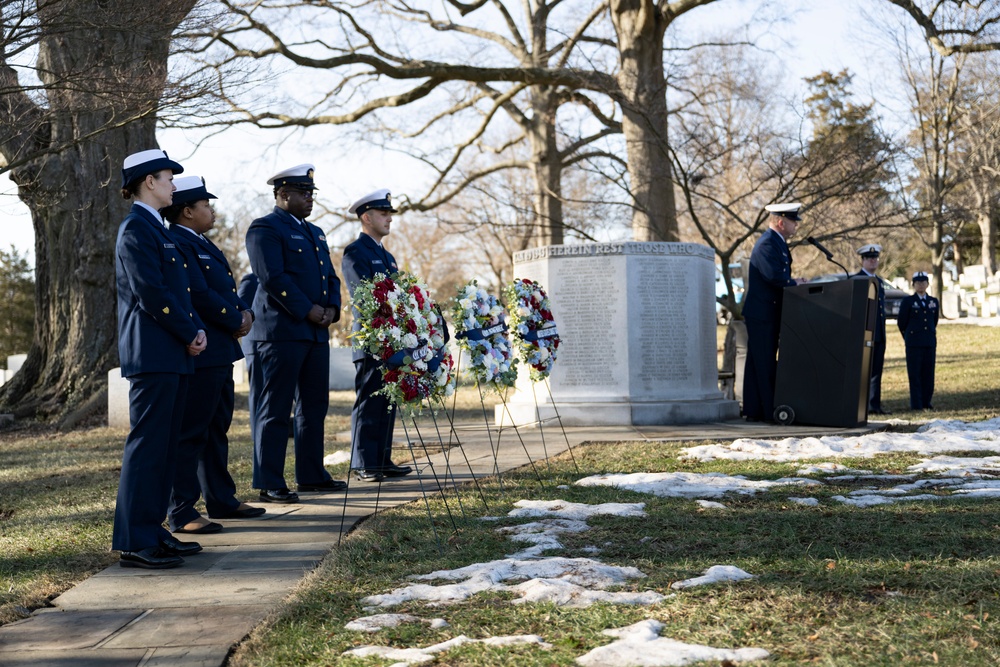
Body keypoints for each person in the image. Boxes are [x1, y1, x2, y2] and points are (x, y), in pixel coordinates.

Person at [113, 149, 206, 569]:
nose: (173, 185)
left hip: (171, 352)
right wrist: (190, 332)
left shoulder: (158, 229)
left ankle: (154, 530)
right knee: (148, 446)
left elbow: (176, 293)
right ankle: (135, 540)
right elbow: (152, 294)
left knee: (166, 447)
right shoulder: (136, 228)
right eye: (168, 178)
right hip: (153, 352)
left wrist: (193, 332)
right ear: (149, 181)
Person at [162, 176, 265, 534]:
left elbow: (225, 287)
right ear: (187, 211)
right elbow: (198, 294)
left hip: (222, 349)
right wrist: (235, 317)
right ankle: (182, 510)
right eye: (206, 204)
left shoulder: (203, 242)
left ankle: (221, 498)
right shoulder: (178, 241)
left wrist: (245, 313)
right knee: (191, 432)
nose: (212, 209)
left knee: (216, 429)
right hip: (201, 349)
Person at [245, 164, 345, 503]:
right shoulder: (265, 228)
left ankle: (312, 475)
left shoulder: (316, 233)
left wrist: (332, 308)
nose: (309, 199)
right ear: (282, 194)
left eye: (311, 193)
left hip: (315, 333)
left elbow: (330, 276)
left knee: (313, 407)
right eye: (303, 193)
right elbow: (273, 278)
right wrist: (308, 310)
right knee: (274, 410)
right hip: (280, 333)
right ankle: (270, 481)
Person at [342, 189, 413, 482]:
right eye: (384, 215)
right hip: (372, 340)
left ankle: (381, 459)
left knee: (387, 401)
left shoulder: (388, 256)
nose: (389, 220)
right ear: (367, 217)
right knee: (370, 400)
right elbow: (363, 294)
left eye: (390, 215)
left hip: (392, 339)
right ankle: (363, 462)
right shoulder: (355, 252)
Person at [741, 202, 805, 422]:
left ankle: (755, 408)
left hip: (769, 311)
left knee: (759, 360)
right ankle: (766, 410)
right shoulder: (768, 243)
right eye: (793, 221)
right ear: (781, 222)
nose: (796, 225)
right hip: (762, 313)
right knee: (763, 361)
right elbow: (773, 276)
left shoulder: (778, 243)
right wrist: (794, 282)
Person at [854, 243, 889, 415]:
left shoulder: (879, 282)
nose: (873, 261)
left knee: (876, 371)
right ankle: (861, 404)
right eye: (869, 258)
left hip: (878, 333)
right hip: (863, 333)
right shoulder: (857, 280)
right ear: (863, 260)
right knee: (863, 370)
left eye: (875, 258)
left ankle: (874, 404)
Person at [897, 271, 939, 411]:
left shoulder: (933, 301)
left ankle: (927, 402)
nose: (921, 285)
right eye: (918, 282)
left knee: (928, 374)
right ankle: (917, 404)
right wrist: (909, 337)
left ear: (927, 284)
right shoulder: (908, 301)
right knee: (915, 374)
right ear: (913, 284)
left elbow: (934, 320)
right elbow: (902, 322)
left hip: (929, 342)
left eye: (923, 282)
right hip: (914, 343)